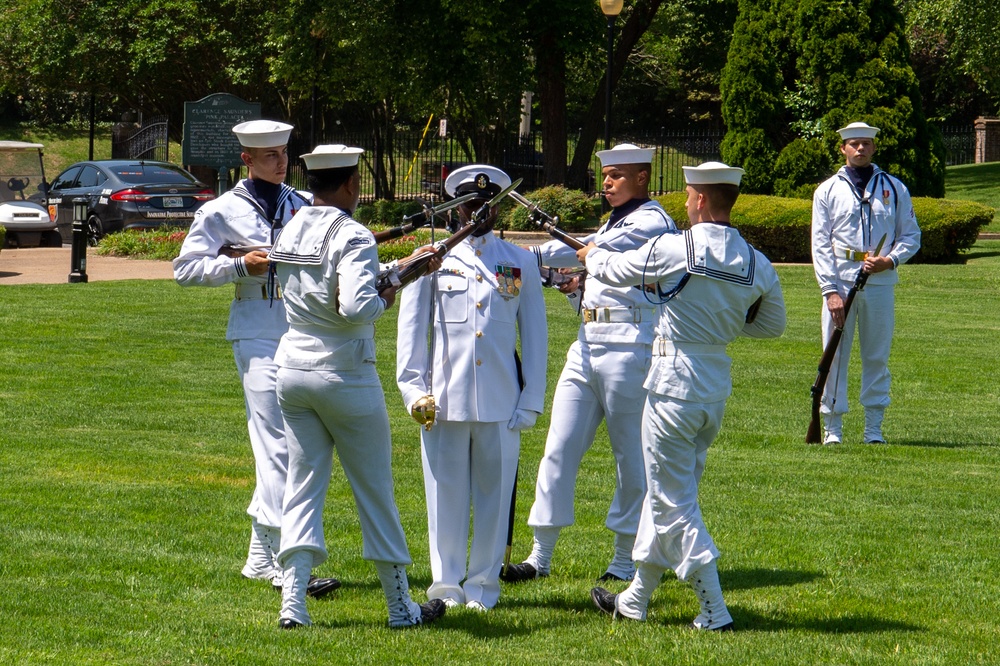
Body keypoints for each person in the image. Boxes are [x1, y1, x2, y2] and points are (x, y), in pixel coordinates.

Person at [581, 162, 786, 630]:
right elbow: (771, 326)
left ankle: (714, 609)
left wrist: (593, 253)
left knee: (674, 502)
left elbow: (614, 271)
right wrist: (721, 321)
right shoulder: (757, 261)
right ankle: (636, 599)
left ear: (697, 200)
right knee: (669, 489)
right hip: (714, 384)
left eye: (689, 196)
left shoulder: (677, 247)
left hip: (674, 385)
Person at [269, 144, 446, 629]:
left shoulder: (293, 224)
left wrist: (400, 270)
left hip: (292, 369)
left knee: (303, 487)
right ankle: (399, 606)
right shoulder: (352, 233)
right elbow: (357, 306)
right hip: (344, 370)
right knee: (375, 491)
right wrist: (389, 294)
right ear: (349, 184)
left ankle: (293, 605)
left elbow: (330, 287)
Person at [173, 120, 339, 598]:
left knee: (296, 447)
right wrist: (239, 265)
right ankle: (292, 564)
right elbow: (185, 269)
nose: (281, 162)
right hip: (257, 335)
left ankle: (259, 559)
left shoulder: (305, 206)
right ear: (246, 159)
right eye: (270, 156)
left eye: (284, 153)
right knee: (278, 448)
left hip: (306, 333)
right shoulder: (221, 211)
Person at [502, 144, 675, 584]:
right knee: (558, 448)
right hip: (587, 342)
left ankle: (622, 559)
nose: (608, 182)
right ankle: (540, 555)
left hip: (629, 346)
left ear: (642, 177)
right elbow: (593, 268)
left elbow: (590, 251)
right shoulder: (613, 221)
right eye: (606, 175)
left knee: (630, 459)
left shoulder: (652, 220)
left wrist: (525, 257)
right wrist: (569, 283)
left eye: (617, 174)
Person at [396, 164, 548, 611]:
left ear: (497, 210)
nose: (477, 212)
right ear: (456, 208)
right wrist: (412, 390)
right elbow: (412, 332)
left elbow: (535, 336)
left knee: (494, 499)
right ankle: (445, 587)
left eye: (485, 205)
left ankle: (482, 587)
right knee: (444, 498)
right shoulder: (433, 257)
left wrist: (531, 399)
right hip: (442, 399)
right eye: (469, 204)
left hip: (501, 400)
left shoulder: (518, 260)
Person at [811, 122, 921, 444]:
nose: (860, 149)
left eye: (866, 144)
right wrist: (829, 291)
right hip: (842, 282)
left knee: (877, 356)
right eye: (854, 144)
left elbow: (911, 236)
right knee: (834, 356)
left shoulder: (895, 188)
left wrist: (890, 260)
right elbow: (820, 244)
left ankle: (874, 428)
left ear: (874, 147)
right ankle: (833, 428)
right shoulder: (827, 190)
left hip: (881, 283)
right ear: (844, 148)